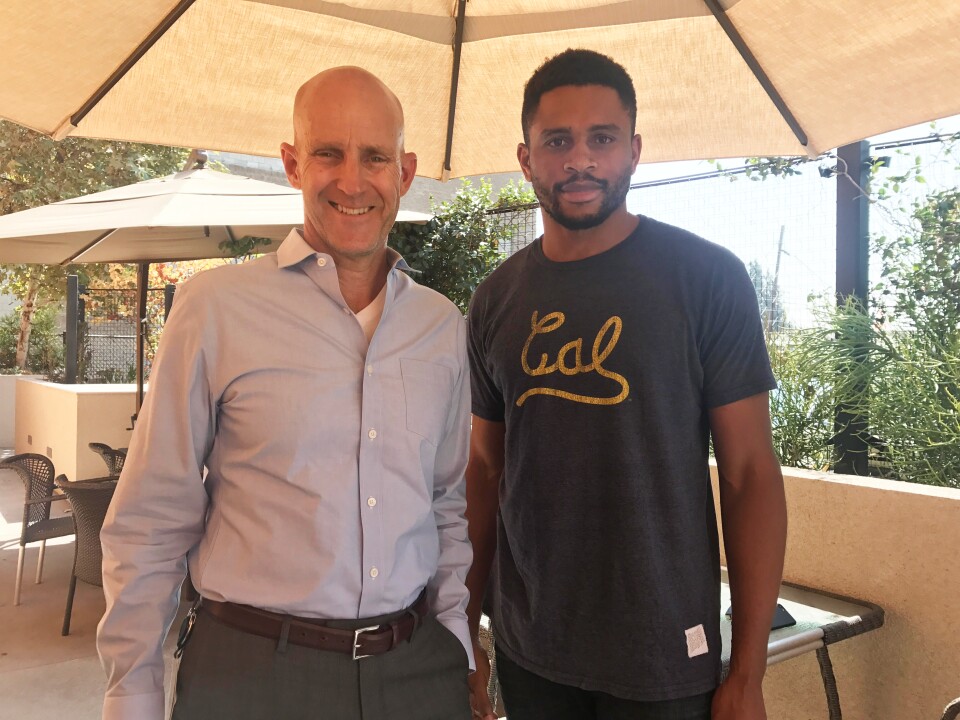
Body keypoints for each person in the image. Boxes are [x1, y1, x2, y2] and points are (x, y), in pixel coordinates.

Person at [97, 67, 474, 720]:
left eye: (375, 157)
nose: (352, 181)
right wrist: (130, 692)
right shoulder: (214, 310)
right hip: (250, 676)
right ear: (293, 163)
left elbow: (444, 504)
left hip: (416, 673)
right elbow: (152, 521)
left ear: (405, 173)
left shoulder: (441, 326)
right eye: (329, 153)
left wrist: (459, 649)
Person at [465, 49, 787, 720]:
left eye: (601, 139)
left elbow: (750, 473)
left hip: (666, 656)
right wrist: (467, 633)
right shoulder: (495, 300)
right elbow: (484, 473)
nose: (580, 160)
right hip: (531, 652)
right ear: (526, 159)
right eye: (557, 141)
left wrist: (748, 670)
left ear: (634, 151)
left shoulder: (705, 279)